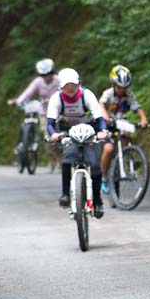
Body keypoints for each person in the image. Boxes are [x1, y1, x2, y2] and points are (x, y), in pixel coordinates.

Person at [46, 68, 109, 218]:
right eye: (67, 86)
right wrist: (53, 134)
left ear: (78, 83)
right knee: (67, 159)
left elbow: (99, 118)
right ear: (61, 87)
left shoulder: (87, 95)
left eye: (73, 85)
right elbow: (50, 122)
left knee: (94, 166)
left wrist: (103, 131)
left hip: (89, 131)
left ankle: (98, 202)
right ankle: (65, 194)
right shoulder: (56, 99)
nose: (70, 88)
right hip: (67, 132)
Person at [98, 65, 149, 194]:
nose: (122, 90)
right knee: (109, 149)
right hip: (107, 122)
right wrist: (104, 115)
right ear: (113, 84)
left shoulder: (129, 95)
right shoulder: (108, 93)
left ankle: (129, 155)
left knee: (128, 133)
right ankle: (103, 177)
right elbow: (101, 104)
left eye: (124, 88)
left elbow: (137, 107)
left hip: (121, 121)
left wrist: (143, 119)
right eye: (119, 87)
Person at [8, 58, 61, 172]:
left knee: (61, 136)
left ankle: (61, 160)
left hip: (59, 112)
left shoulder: (59, 81)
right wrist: (18, 101)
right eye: (44, 75)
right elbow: (28, 92)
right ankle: (51, 161)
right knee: (48, 136)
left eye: (49, 74)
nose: (47, 77)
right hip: (45, 112)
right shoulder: (38, 82)